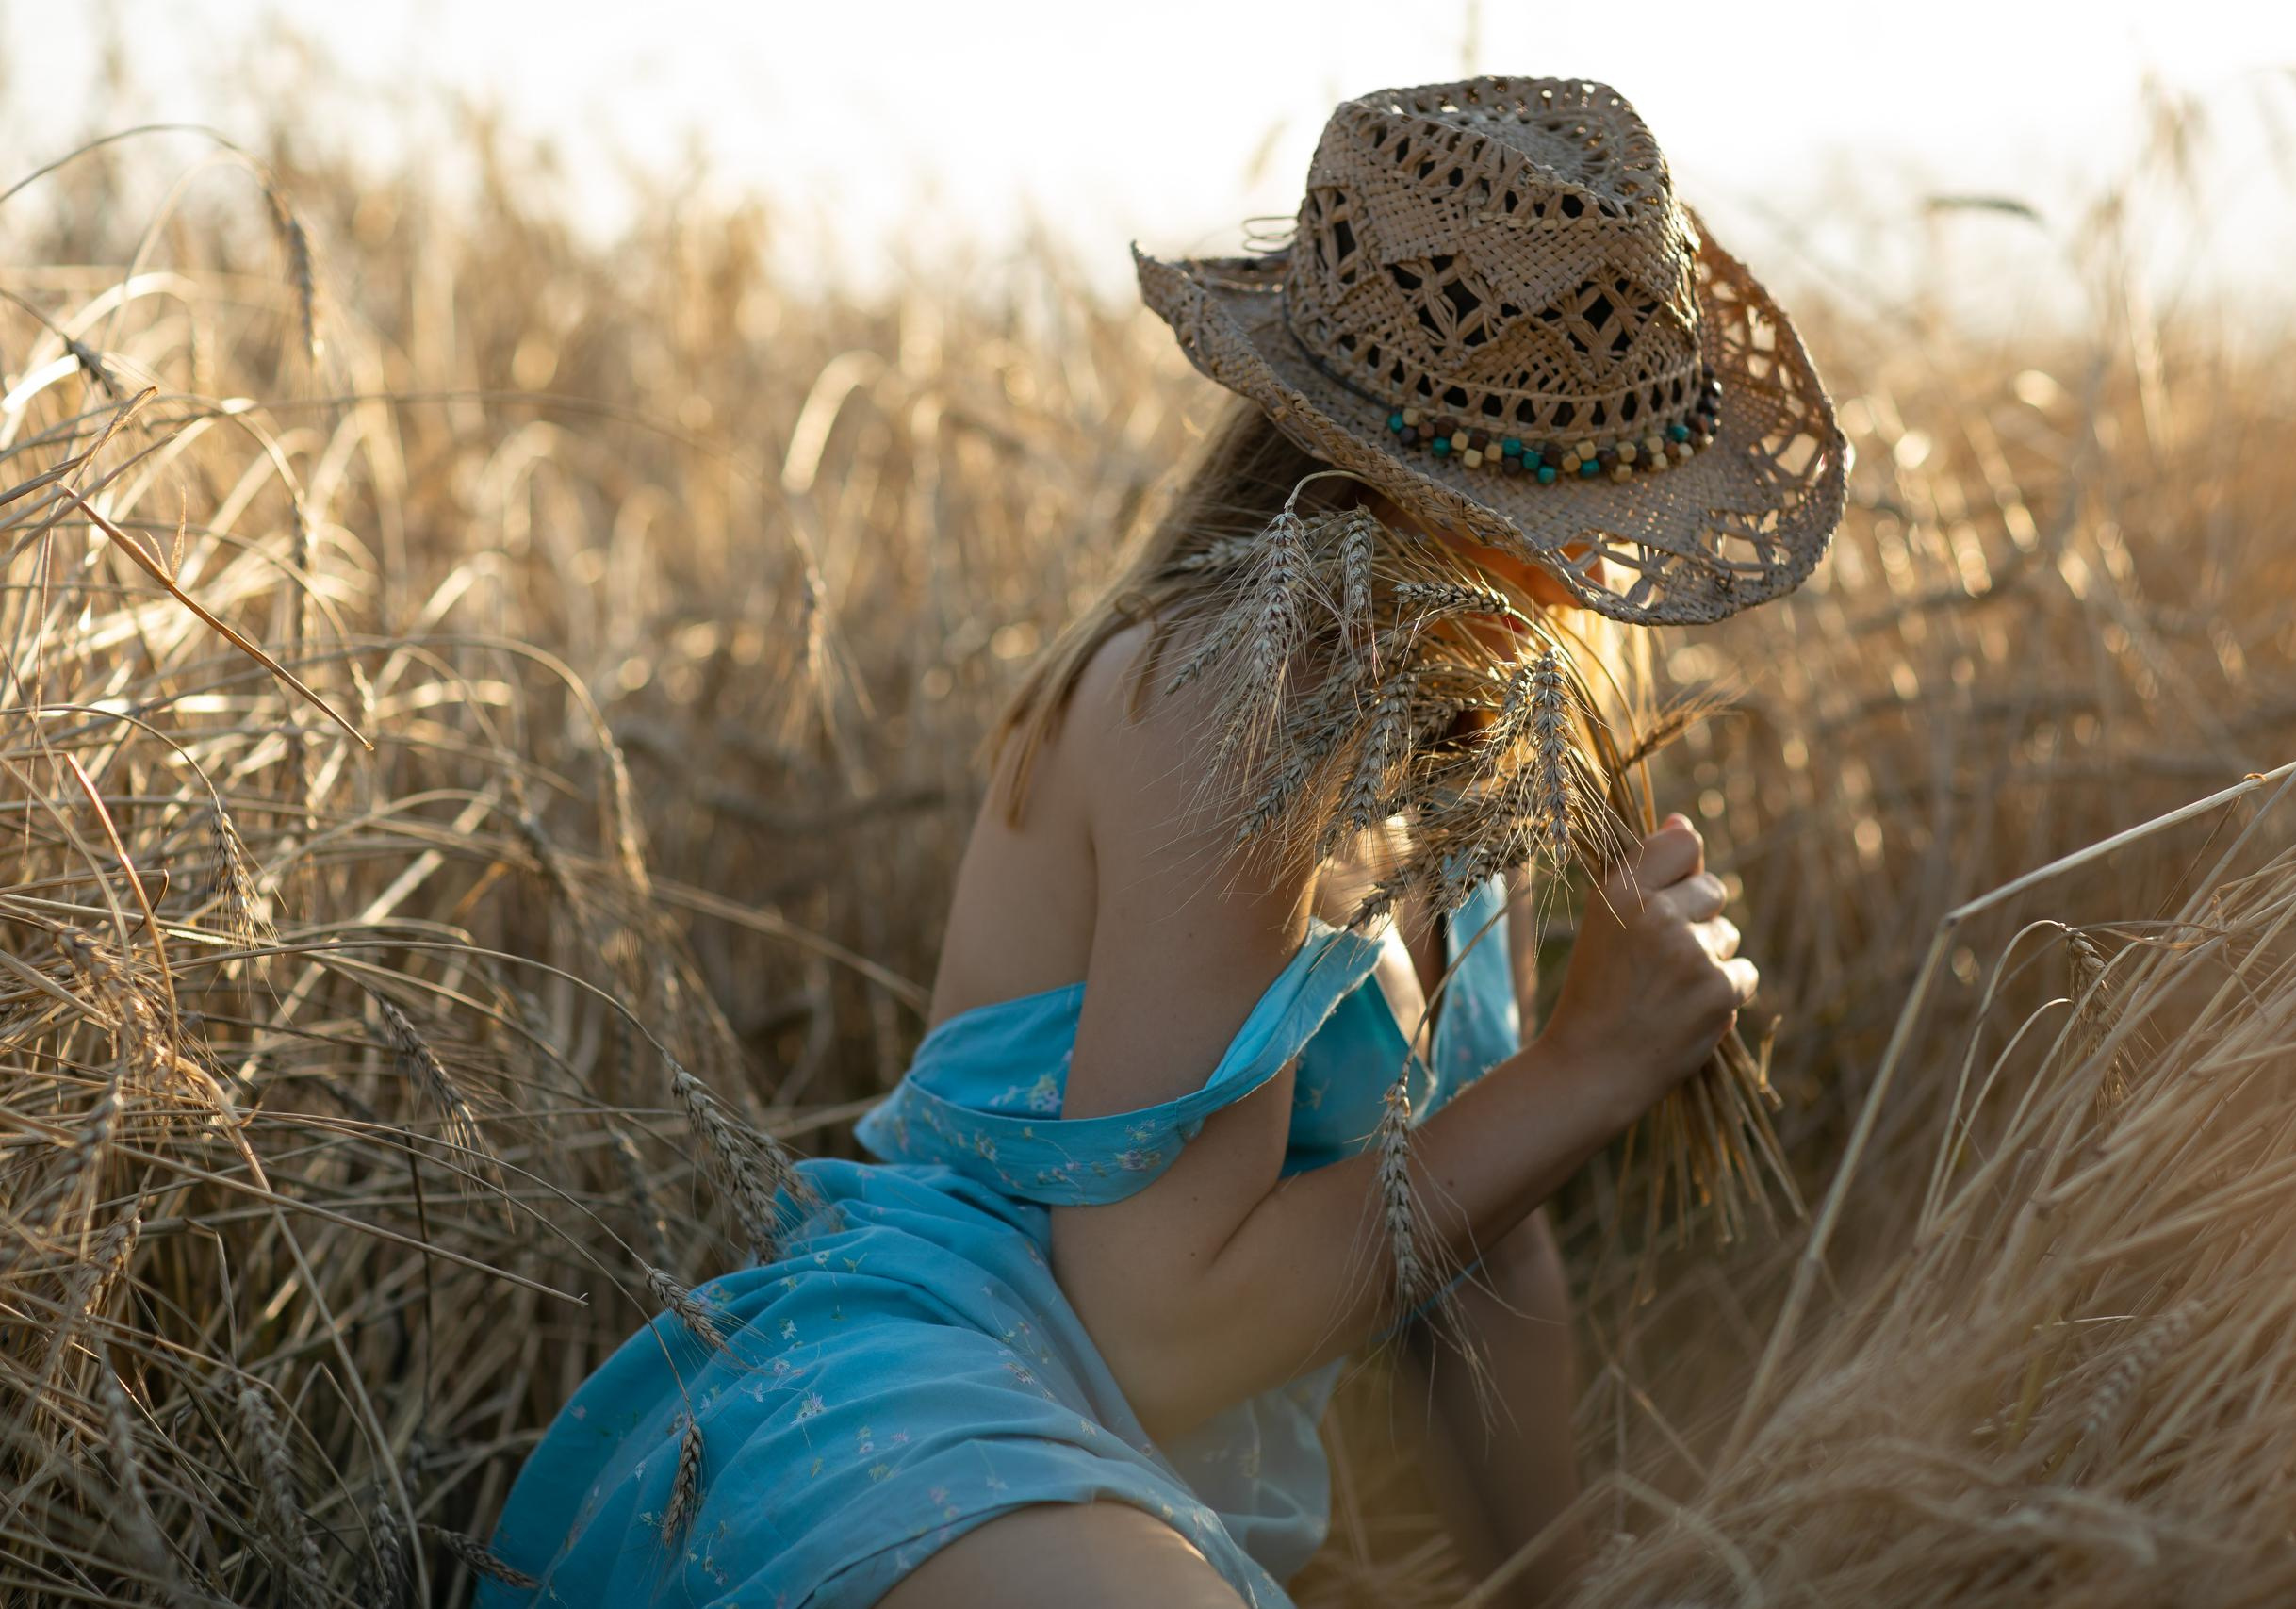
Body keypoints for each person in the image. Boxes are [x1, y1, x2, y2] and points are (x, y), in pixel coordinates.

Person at [481, 75, 1845, 1609]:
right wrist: (1588, 1072)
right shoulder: (1228, 700)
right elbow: (1161, 1332)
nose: (1608, 560)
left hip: (1111, 1482)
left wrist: (1555, 1593)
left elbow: (1483, 1242)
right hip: (930, 1402)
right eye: (1597, 497)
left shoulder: (1473, 715)